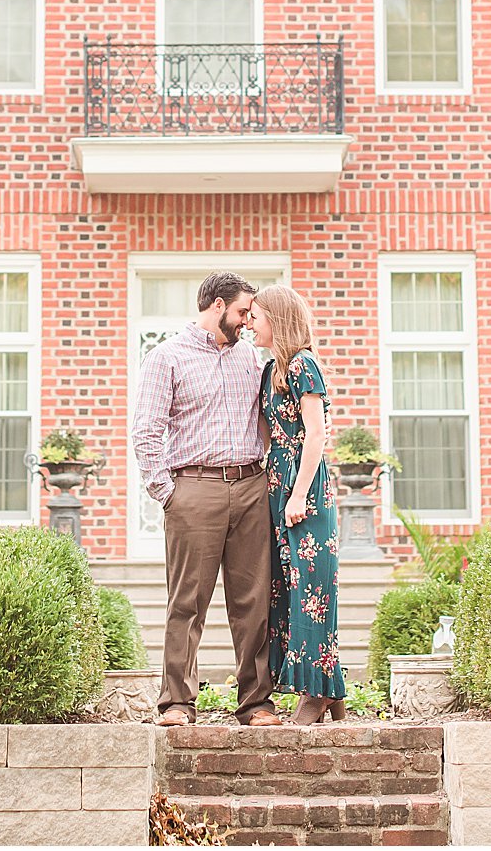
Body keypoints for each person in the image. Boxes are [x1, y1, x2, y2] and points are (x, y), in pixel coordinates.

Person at [130, 271, 282, 728]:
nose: (247, 321)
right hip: (193, 489)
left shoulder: (251, 360)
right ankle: (177, 702)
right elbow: (146, 431)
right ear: (217, 306)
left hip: (252, 486)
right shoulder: (166, 358)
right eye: (241, 312)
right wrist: (168, 494)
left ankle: (256, 703)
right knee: (186, 602)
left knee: (254, 601)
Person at [249, 283, 346, 725]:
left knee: (312, 588)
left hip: (304, 489)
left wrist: (300, 492)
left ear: (277, 318)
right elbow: (270, 434)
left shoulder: (305, 365)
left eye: (256, 315)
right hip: (276, 488)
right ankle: (330, 688)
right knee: (286, 589)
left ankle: (315, 693)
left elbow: (317, 434)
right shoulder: (271, 369)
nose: (250, 322)